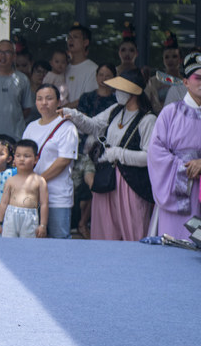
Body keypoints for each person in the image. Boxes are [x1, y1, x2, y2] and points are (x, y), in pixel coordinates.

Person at [62, 70, 156, 241]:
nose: (116, 93)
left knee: (133, 230)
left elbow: (149, 157)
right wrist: (74, 116)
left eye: (120, 89)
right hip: (107, 178)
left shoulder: (148, 119)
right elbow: (94, 125)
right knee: (105, 230)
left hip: (131, 183)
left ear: (133, 92)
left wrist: (120, 153)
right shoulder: (116, 110)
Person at [147, 52, 201, 238]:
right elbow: (156, 151)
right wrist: (182, 168)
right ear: (185, 82)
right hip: (176, 191)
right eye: (198, 78)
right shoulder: (170, 113)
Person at [23, 84, 79, 239]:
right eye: (39, 99)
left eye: (49, 98)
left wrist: (38, 181)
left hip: (57, 197)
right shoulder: (31, 127)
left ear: (59, 102)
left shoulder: (67, 128)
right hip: (32, 197)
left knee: (59, 242)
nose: (44, 103)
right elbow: (23, 156)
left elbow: (63, 161)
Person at [71, 63, 118, 238]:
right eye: (101, 74)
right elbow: (81, 121)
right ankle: (76, 222)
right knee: (77, 186)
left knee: (95, 186)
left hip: (104, 149)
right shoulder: (86, 97)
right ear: (96, 76)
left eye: (108, 75)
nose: (104, 78)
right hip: (83, 146)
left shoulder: (116, 101)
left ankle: (85, 222)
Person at [0, 139, 48, 238]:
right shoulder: (10, 180)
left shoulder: (39, 181)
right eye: (18, 156)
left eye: (26, 156)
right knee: (8, 244)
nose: (22, 159)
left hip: (30, 216)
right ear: (14, 158)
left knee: (28, 246)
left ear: (36, 159)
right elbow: (4, 203)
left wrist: (43, 225)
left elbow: (44, 204)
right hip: (11, 215)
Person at [145, 31, 181, 114]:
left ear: (180, 59)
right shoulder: (154, 81)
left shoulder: (186, 82)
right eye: (167, 57)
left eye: (174, 56)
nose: (170, 60)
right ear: (163, 60)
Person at [63, 23, 98, 108]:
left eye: (75, 37)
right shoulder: (63, 67)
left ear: (85, 42)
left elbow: (89, 98)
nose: (70, 40)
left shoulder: (93, 69)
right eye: (69, 37)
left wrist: (64, 109)